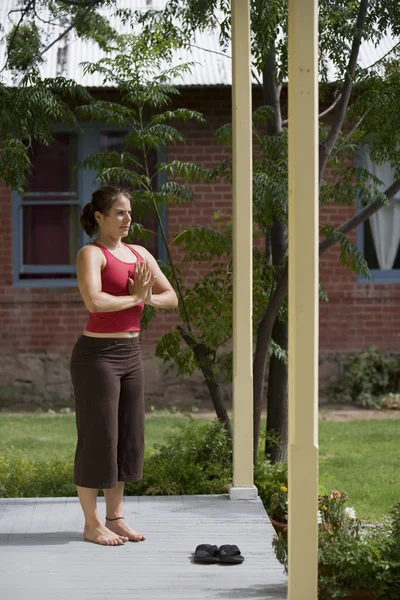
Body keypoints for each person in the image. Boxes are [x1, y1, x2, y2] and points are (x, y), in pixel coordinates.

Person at [70, 185, 178, 546]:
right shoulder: (92, 253)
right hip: (97, 358)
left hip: (131, 355)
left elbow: (171, 296)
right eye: (119, 212)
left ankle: (115, 518)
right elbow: (95, 301)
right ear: (99, 217)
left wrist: (145, 297)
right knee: (98, 438)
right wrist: (136, 297)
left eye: (129, 212)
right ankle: (91, 523)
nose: (127, 218)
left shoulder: (140, 253)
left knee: (128, 438)